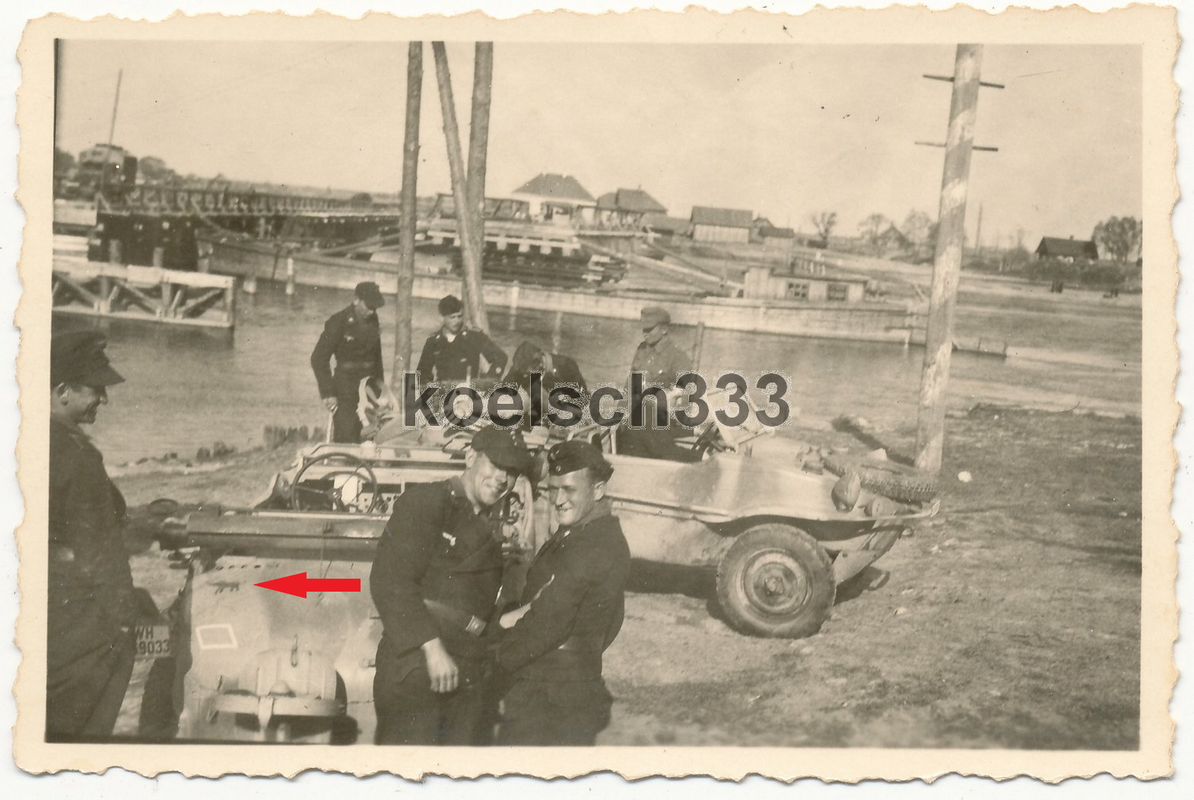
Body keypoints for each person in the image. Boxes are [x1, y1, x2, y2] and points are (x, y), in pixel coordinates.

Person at [370, 426, 534, 745]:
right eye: (496, 465)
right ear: (471, 457)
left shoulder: (489, 525)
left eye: (512, 472)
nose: (503, 478)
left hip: (466, 670)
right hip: (418, 664)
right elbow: (390, 580)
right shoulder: (427, 502)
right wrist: (432, 650)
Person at [493, 440, 630, 746]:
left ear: (598, 490)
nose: (558, 499)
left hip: (551, 698)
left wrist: (493, 658)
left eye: (569, 490)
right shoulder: (580, 533)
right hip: (560, 686)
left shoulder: (593, 545)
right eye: (553, 489)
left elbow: (549, 621)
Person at [47, 330, 137, 739]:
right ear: (62, 390)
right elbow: (101, 552)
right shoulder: (78, 456)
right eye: (96, 389)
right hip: (70, 623)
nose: (104, 399)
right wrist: (123, 623)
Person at [621, 306, 703, 462]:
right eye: (644, 328)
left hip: (659, 424)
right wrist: (622, 412)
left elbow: (684, 400)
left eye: (650, 329)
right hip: (636, 419)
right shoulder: (642, 350)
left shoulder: (677, 357)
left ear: (664, 329)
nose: (645, 333)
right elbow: (631, 386)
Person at [310, 281, 386, 443]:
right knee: (347, 434)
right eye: (369, 306)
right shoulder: (339, 321)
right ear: (356, 300)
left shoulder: (373, 320)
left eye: (375, 308)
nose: (372, 311)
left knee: (371, 435)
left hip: (369, 388)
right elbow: (318, 358)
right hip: (345, 387)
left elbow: (377, 358)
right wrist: (328, 393)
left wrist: (380, 390)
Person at [415, 295, 508, 386]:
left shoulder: (473, 336)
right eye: (452, 317)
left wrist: (484, 383)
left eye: (459, 316)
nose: (457, 321)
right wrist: (430, 390)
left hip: (469, 393)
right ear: (442, 317)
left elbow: (500, 357)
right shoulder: (433, 342)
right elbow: (422, 373)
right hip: (443, 394)